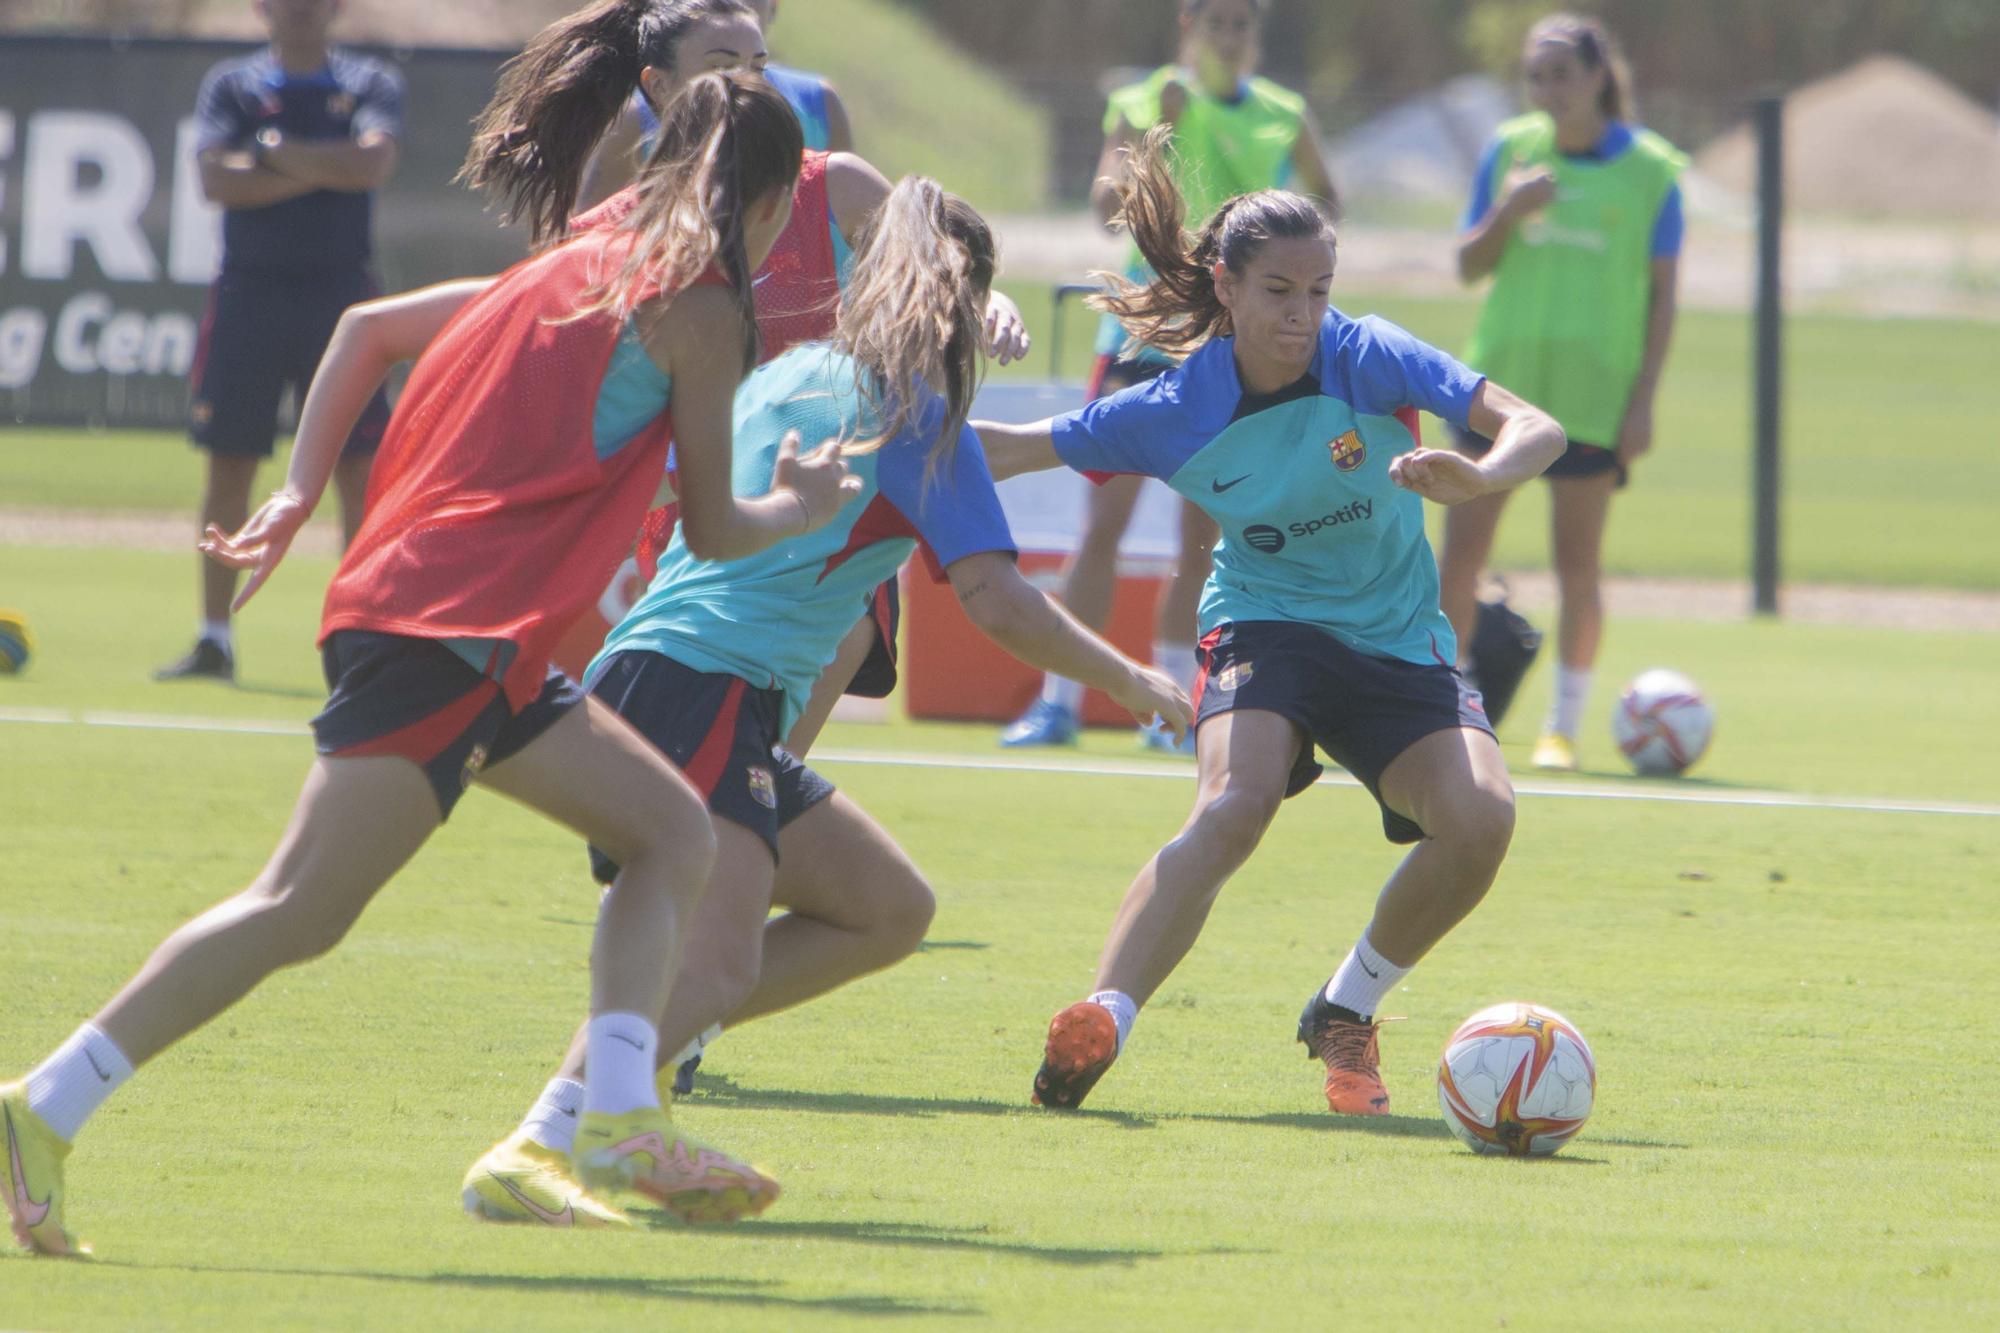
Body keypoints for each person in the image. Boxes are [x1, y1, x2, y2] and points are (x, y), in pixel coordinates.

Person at [0, 73, 854, 1256]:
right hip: (445, 626)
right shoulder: (701, 304)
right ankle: (46, 1100)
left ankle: (611, 1118)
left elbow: (392, 334)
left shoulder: (592, 248)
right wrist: (799, 501)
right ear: (761, 201)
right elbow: (715, 528)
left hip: (455, 624)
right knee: (299, 906)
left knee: (672, 833)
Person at [465, 177, 1193, 1227]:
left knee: (885, 907)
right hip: (700, 683)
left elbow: (688, 491)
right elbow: (996, 598)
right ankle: (555, 1132)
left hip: (671, 676)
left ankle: (619, 1079)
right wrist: (1127, 678)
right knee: (715, 961)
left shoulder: (795, 371)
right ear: (959, 296)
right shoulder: (915, 415)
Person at [973, 127, 1566, 1117]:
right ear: (1227, 286)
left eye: (1319, 290)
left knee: (1479, 821)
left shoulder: (1368, 356)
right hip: (1264, 624)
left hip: (1393, 637)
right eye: (1279, 292)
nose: (1302, 315)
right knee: (1230, 807)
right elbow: (1006, 450)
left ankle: (1345, 1003)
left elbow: (1533, 425)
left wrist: (1482, 475)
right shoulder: (1171, 407)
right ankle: (1104, 1015)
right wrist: (872, 417)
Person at [463, 0, 1028, 835]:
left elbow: (938, 267)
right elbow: (557, 346)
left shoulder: (831, 183)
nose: (747, 81)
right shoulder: (628, 229)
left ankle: (700, 896)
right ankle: (688, 895)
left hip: (833, 512)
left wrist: (990, 304)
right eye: (723, 62)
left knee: (762, 757)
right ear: (659, 88)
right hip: (701, 506)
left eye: (757, 63)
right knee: (718, 778)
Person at [1001, 0, 1336, 754]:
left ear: (1256, 33)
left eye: (1242, 24)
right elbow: (1102, 205)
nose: (1228, 36)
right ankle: (1060, 702)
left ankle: (1177, 706)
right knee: (1105, 524)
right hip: (1141, 333)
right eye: (1215, 21)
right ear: (1188, 27)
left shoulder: (1285, 113)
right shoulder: (1145, 100)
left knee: (1202, 532)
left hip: (1226, 342)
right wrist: (1156, 146)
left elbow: (1327, 207)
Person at [1438, 13, 1686, 772]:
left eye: (1562, 74)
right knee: (1457, 559)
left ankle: (1563, 726)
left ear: (1599, 76)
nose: (1547, 89)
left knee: (1577, 565)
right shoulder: (1510, 150)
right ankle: (1448, 704)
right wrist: (1509, 211)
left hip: (1591, 397)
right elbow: (1467, 266)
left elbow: (1663, 298)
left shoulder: (1652, 171)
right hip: (1499, 393)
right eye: (1535, 75)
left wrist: (1643, 400)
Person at [159, 0, 403, 683]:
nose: (299, 8)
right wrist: (325, 168)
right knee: (230, 465)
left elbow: (374, 163)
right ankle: (215, 638)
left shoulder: (368, 81)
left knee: (358, 470)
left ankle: (357, 640)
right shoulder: (232, 84)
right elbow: (215, 180)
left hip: (340, 296)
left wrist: (272, 158)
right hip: (250, 294)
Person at [574, 0, 851, 216]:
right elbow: (578, 258)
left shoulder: (819, 107)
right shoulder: (636, 122)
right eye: (721, 68)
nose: (743, 84)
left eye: (757, 67)